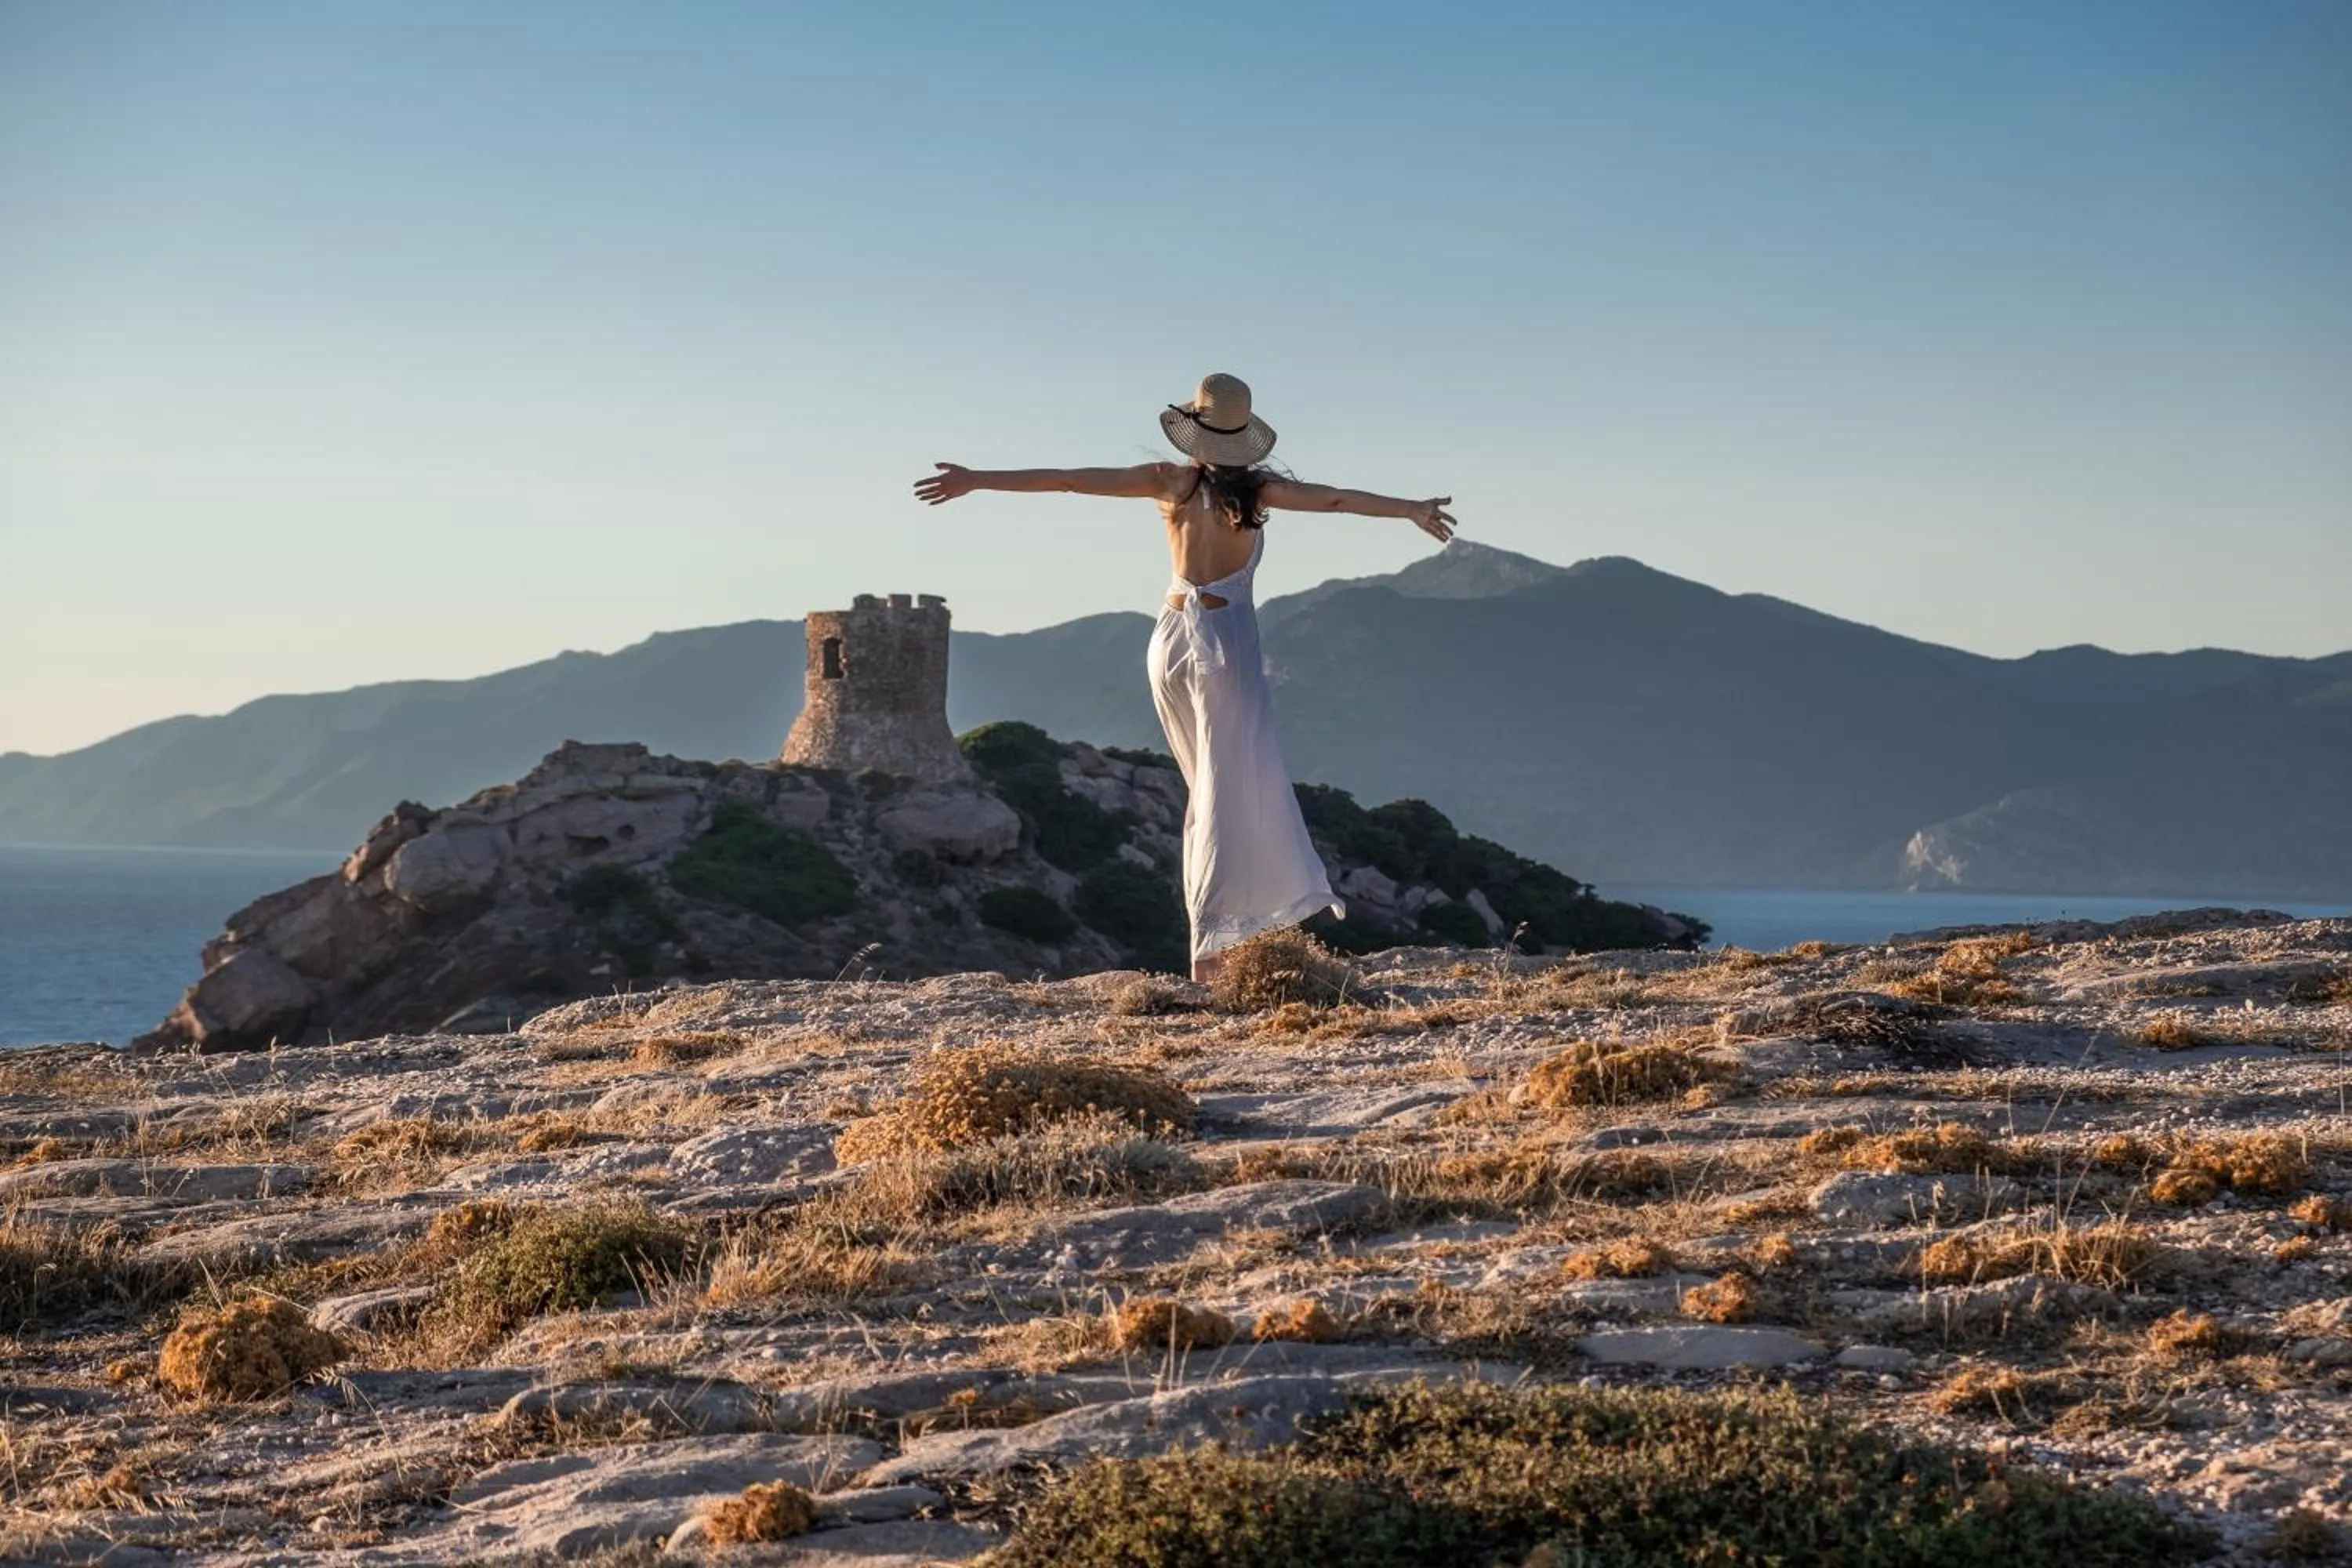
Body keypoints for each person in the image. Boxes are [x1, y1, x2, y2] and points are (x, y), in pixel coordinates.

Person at [914, 373, 1457, 982]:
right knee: (1230, 798)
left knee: (1210, 795)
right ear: (1244, 438)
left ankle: (1222, 939)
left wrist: (976, 480)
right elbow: (1335, 500)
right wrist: (1410, 509)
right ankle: (1213, 953)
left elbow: (1067, 480)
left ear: (1193, 428)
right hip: (1222, 647)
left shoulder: (1166, 482)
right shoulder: (1259, 493)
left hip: (1168, 643)